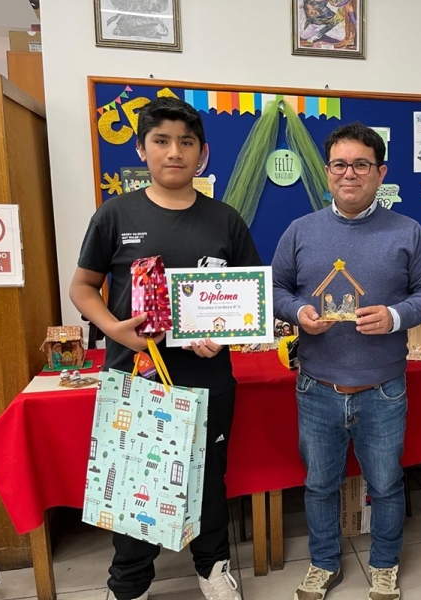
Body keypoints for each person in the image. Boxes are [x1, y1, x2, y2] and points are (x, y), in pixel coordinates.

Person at [70, 96, 261, 600]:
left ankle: (214, 566)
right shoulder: (114, 214)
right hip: (137, 375)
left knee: (208, 480)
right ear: (142, 149)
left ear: (202, 154)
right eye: (161, 141)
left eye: (186, 142)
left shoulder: (225, 219)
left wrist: (222, 334)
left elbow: (247, 302)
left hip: (209, 379)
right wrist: (115, 329)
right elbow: (83, 287)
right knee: (132, 479)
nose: (174, 152)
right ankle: (128, 584)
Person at [272, 122, 421, 600]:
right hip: (317, 386)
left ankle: (384, 563)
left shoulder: (408, 231)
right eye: (340, 165)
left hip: (383, 388)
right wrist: (298, 312)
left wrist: (393, 316)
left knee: (386, 485)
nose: (350, 174)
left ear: (380, 172)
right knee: (320, 485)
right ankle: (324, 563)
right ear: (327, 172)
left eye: (361, 164)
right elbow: (277, 290)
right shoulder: (300, 231)